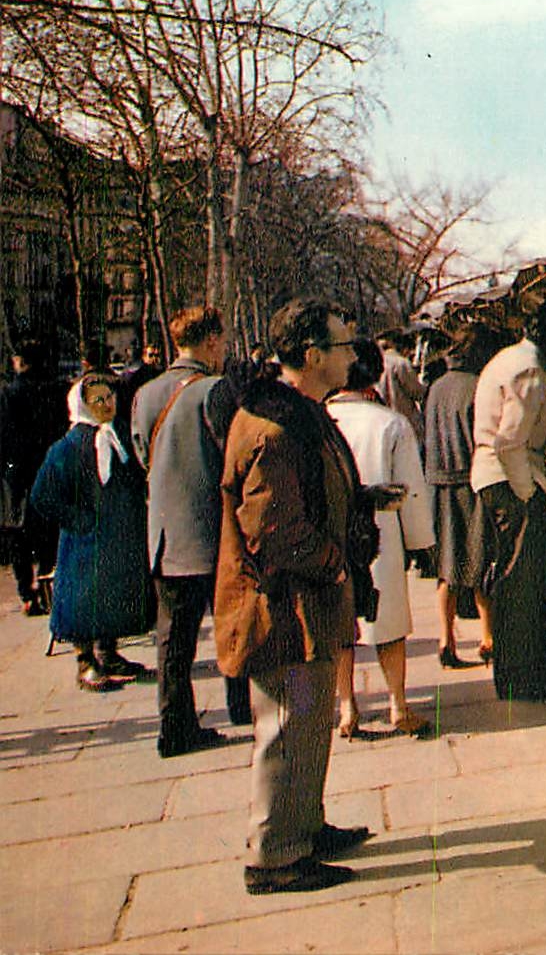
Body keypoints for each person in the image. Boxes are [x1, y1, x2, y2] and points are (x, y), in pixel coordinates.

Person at [213, 297, 373, 895]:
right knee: (286, 725)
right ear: (311, 355)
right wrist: (334, 564)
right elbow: (273, 531)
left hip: (303, 604)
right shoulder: (275, 426)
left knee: (308, 724)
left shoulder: (299, 413)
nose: (352, 354)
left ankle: (303, 827)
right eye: (341, 345)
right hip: (281, 609)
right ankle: (274, 857)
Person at [130, 305, 247, 756]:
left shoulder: (145, 393)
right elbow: (233, 457)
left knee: (173, 641)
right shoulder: (216, 391)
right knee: (232, 624)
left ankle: (174, 727)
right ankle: (240, 705)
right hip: (215, 532)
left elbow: (144, 456)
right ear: (212, 341)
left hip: (164, 535)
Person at [470, 298, 546, 700]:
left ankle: (528, 668)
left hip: (505, 476)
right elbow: (510, 441)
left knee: (524, 580)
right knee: (522, 582)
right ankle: (521, 677)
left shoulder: (517, 359)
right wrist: (528, 493)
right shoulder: (529, 370)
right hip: (508, 480)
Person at [327, 338, 436, 737]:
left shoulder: (322, 419)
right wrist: (422, 541)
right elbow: (411, 489)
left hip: (335, 533)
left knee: (340, 623)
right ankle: (397, 704)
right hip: (382, 532)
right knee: (388, 621)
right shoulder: (391, 423)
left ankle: (347, 708)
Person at [28, 374, 153, 691]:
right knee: (82, 600)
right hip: (83, 541)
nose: (108, 404)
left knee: (112, 595)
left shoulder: (119, 438)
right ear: (82, 405)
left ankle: (109, 653)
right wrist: (76, 519)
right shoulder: (67, 447)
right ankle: (85, 661)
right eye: (99, 400)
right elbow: (43, 495)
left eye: (110, 397)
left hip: (116, 538)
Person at [424, 325, 497, 669]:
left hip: (438, 484)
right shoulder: (477, 387)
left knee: (447, 568)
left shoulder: (436, 388)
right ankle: (488, 637)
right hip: (470, 482)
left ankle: (445, 639)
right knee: (480, 562)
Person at [1, 339, 67, 615]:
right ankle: (45, 586)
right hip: (49, 469)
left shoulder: (9, 394)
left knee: (18, 535)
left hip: (17, 474)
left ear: (21, 362)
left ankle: (26, 593)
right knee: (49, 534)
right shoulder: (56, 390)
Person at [375, 328, 425, 439]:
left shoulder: (375, 363)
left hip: (381, 421)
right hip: (404, 420)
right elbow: (417, 392)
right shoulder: (400, 363)